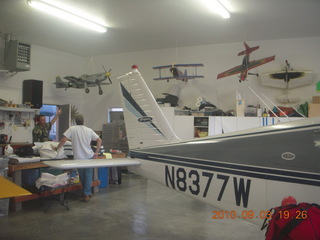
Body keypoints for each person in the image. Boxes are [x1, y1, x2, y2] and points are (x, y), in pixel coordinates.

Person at [52, 114, 102, 202]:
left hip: (79, 158)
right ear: (83, 121)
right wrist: (96, 153)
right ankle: (86, 193)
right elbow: (99, 140)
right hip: (89, 157)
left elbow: (63, 140)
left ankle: (86, 193)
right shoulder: (89, 130)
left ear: (75, 121)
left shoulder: (72, 129)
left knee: (82, 176)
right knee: (88, 176)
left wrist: (57, 148)